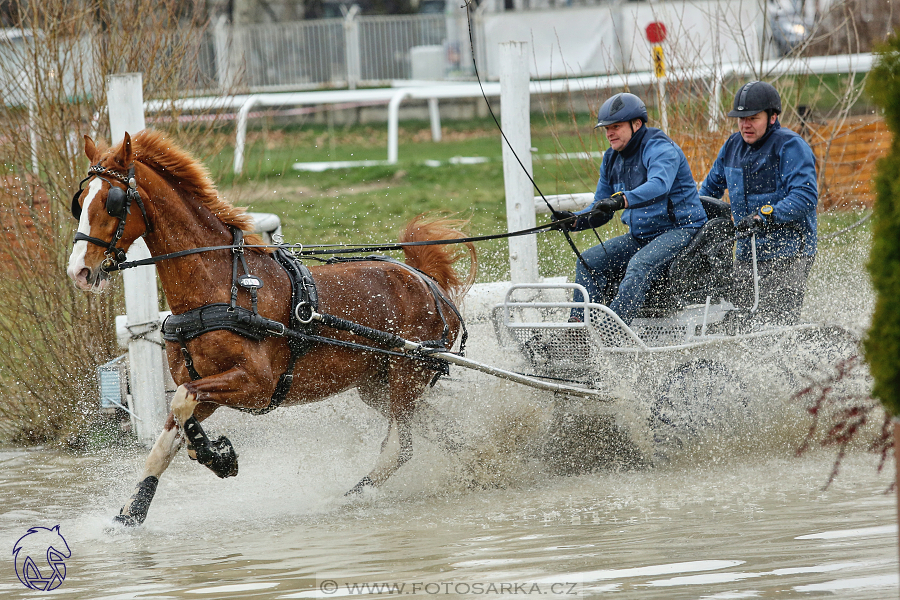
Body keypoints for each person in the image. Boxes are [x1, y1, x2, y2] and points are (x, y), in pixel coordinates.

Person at [553, 92, 708, 325]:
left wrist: (621, 200)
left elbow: (659, 185)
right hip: (641, 236)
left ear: (637, 124)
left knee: (639, 264)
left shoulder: (659, 148)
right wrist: (575, 220)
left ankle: (611, 330)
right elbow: (601, 208)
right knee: (588, 261)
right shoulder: (611, 159)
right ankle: (579, 330)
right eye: (606, 128)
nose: (609, 133)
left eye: (615, 126)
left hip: (682, 231)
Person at [699, 81, 818, 325]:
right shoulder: (732, 146)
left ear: (772, 117)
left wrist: (764, 216)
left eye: (753, 118)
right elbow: (708, 192)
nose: (745, 125)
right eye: (740, 119)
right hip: (746, 254)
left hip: (789, 253)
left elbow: (805, 196)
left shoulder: (790, 145)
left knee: (776, 325)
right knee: (742, 324)